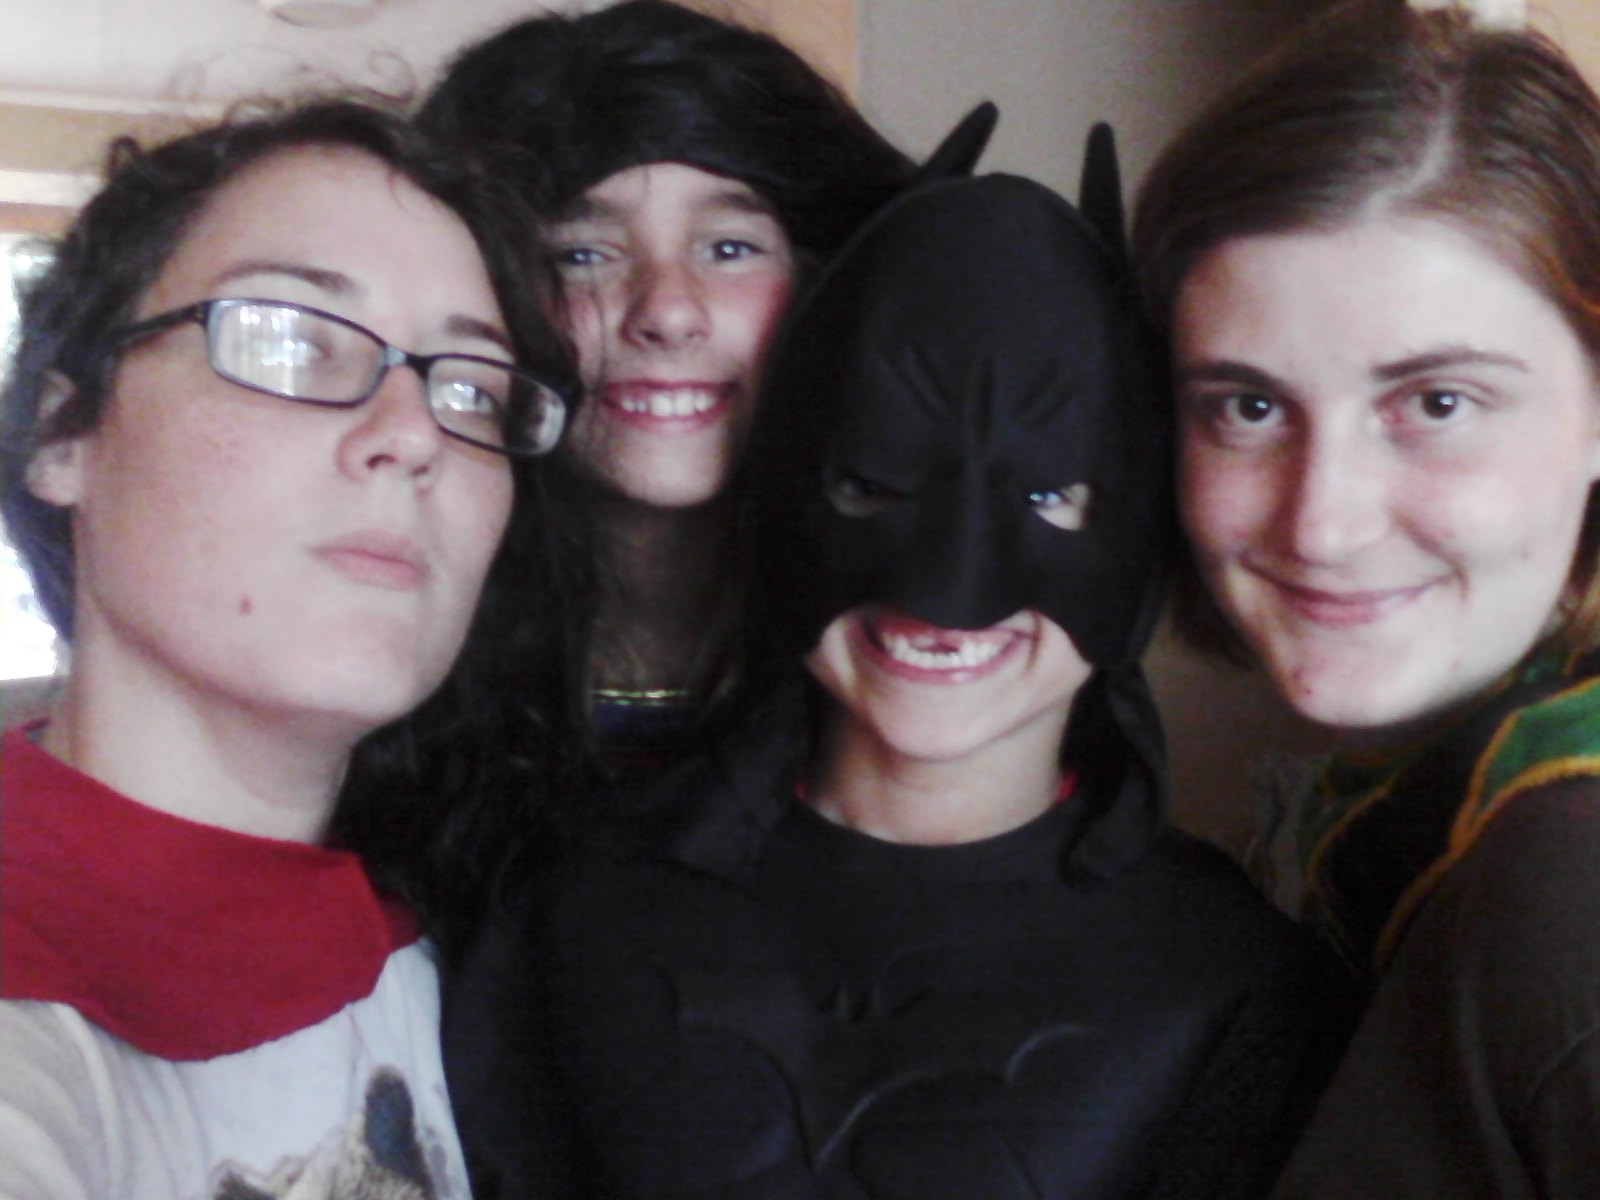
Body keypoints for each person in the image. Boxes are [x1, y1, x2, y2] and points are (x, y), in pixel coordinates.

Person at [447, 123, 1340, 1199]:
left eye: (1046, 497)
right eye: (872, 485)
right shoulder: (568, 904)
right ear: (791, 490)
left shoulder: (1234, 982)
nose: (945, 585)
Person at [0, 98, 571, 1198]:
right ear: (64, 435)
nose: (413, 433)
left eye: (469, 388)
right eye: (292, 340)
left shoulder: (448, 959)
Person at [1133, 3, 1600, 1194]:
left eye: (1437, 403)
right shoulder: (1382, 822)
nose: (1320, 524)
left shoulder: (1567, 887)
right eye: (1246, 407)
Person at [419, 0, 914, 769]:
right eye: (583, 256)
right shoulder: (392, 663)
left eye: (730, 248)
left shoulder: (923, 658)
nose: (668, 312)